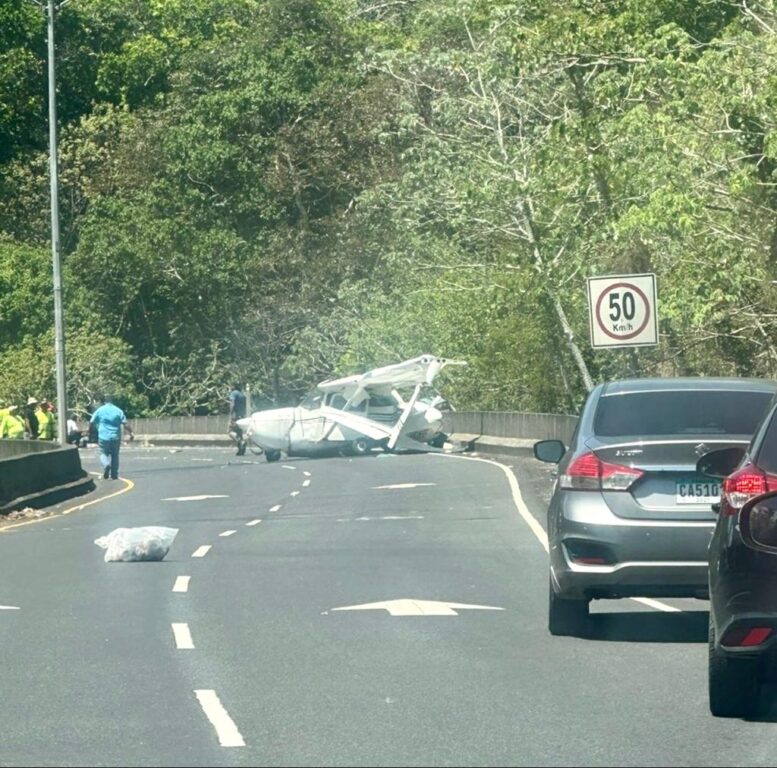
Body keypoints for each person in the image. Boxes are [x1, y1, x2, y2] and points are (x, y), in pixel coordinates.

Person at [89, 394, 134, 479]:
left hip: (103, 436)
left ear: (104, 402)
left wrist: (90, 432)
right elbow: (125, 424)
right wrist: (131, 432)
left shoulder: (100, 410)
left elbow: (91, 422)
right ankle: (114, 474)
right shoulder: (118, 410)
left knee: (103, 453)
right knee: (115, 455)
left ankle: (106, 465)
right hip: (115, 437)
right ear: (112, 401)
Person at [227, 383, 248, 456]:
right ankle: (240, 450)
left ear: (233, 386)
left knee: (230, 432)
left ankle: (241, 442)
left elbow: (232, 403)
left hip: (235, 415)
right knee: (239, 432)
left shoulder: (233, 393)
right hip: (241, 416)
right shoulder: (242, 395)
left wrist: (231, 413)